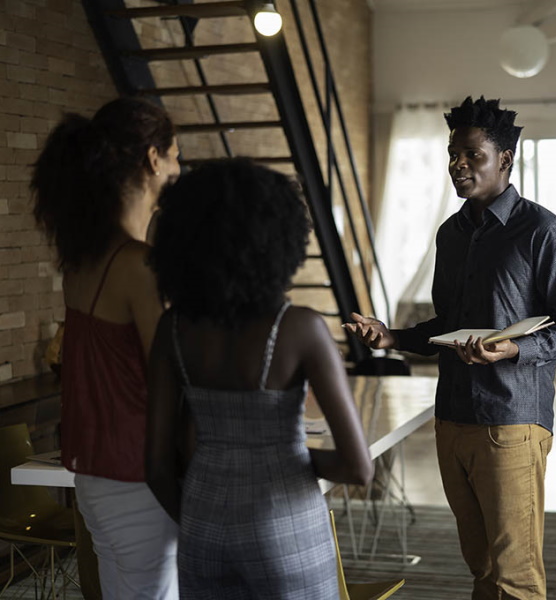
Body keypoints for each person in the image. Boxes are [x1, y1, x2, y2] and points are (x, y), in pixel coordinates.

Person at [344, 96, 556, 600]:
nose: (457, 164)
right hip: (452, 417)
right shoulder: (450, 234)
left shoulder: (543, 231)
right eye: (453, 153)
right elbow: (447, 325)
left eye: (471, 154)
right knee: (481, 567)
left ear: (504, 160)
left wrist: (511, 351)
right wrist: (393, 336)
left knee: (516, 575)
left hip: (511, 421)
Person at [146, 157, 374, 599]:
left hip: (202, 524)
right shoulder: (299, 327)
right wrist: (286, 459)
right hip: (284, 527)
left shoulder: (172, 328)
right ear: (276, 240)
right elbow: (358, 468)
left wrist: (198, 519)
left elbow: (156, 466)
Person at [31, 97, 181, 599]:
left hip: (97, 476)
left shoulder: (83, 260)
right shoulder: (139, 266)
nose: (179, 168)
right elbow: (170, 375)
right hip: (141, 477)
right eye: (176, 155)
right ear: (153, 159)